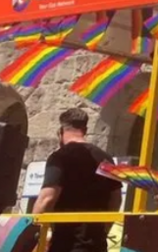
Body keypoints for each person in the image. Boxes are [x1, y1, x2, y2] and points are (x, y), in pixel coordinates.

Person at [33, 108, 122, 252]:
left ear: (60, 131)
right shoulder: (106, 158)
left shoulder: (59, 157)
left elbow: (47, 199)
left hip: (66, 245)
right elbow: (116, 199)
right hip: (97, 245)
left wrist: (32, 236)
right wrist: (103, 230)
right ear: (85, 130)